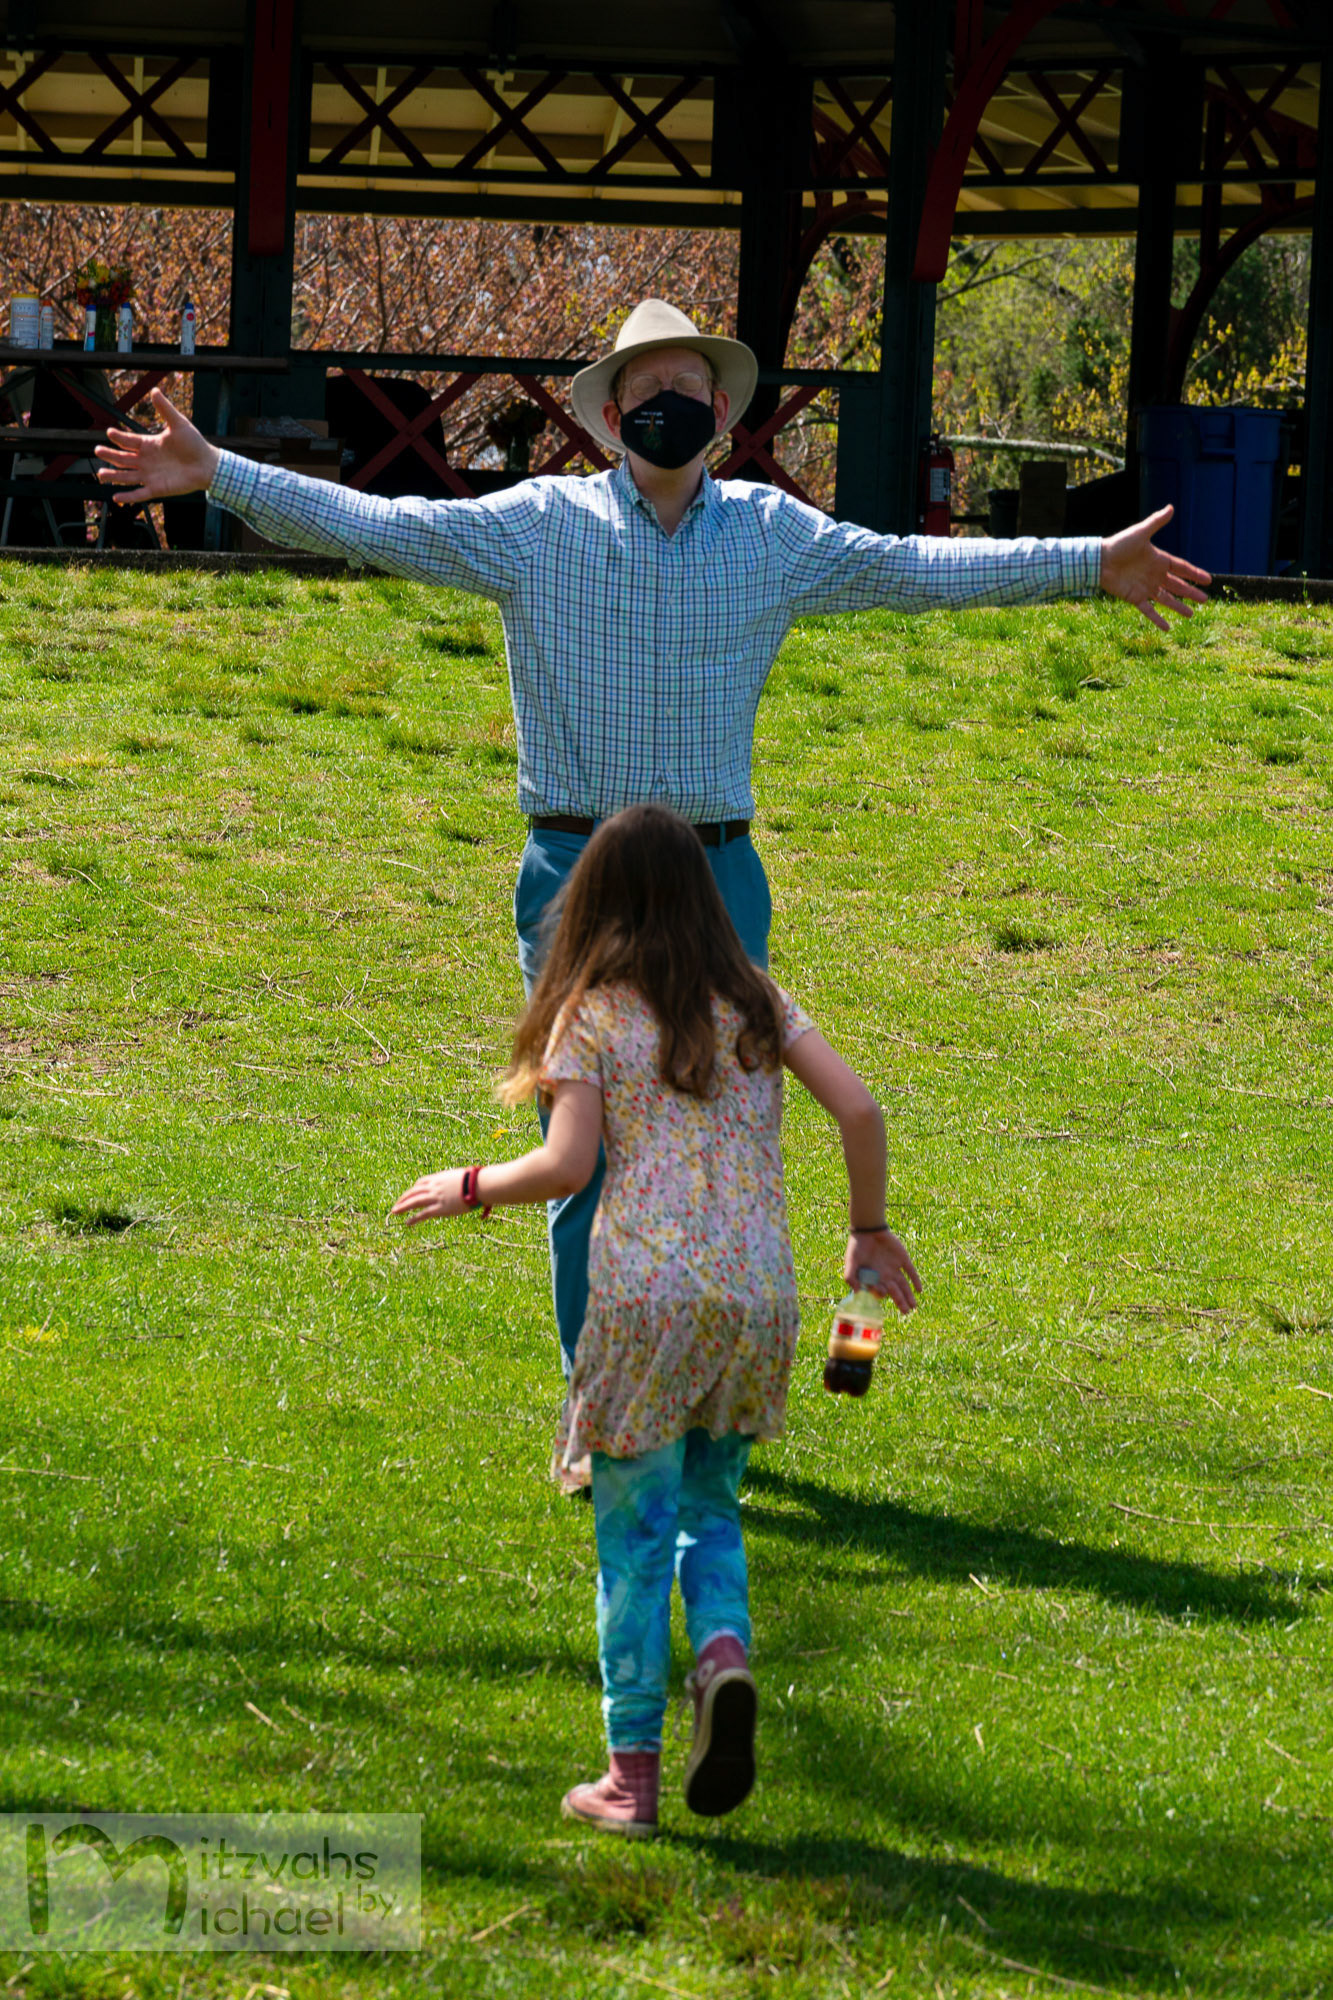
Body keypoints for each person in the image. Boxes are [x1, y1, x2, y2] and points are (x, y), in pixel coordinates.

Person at [94, 298, 1210, 1384]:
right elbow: (381, 526)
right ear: (609, 410)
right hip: (573, 878)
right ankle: (601, 1401)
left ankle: (712, 1382)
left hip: (717, 878)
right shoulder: (536, 526)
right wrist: (222, 474)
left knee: (724, 1143)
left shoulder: (777, 538)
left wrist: (1084, 561)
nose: (666, 402)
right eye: (644, 387)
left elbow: (914, 569)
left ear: (721, 413)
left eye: (687, 387)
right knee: (585, 1148)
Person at [389, 805, 921, 1837]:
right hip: (755, 1296)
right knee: (710, 1508)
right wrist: (867, 1229)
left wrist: (468, 1183)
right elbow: (859, 1109)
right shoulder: (758, 998)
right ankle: (722, 1654)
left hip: (642, 1300)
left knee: (630, 1539)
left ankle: (628, 1776)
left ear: (593, 898)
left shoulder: (587, 1012)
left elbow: (567, 1166)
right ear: (703, 895)